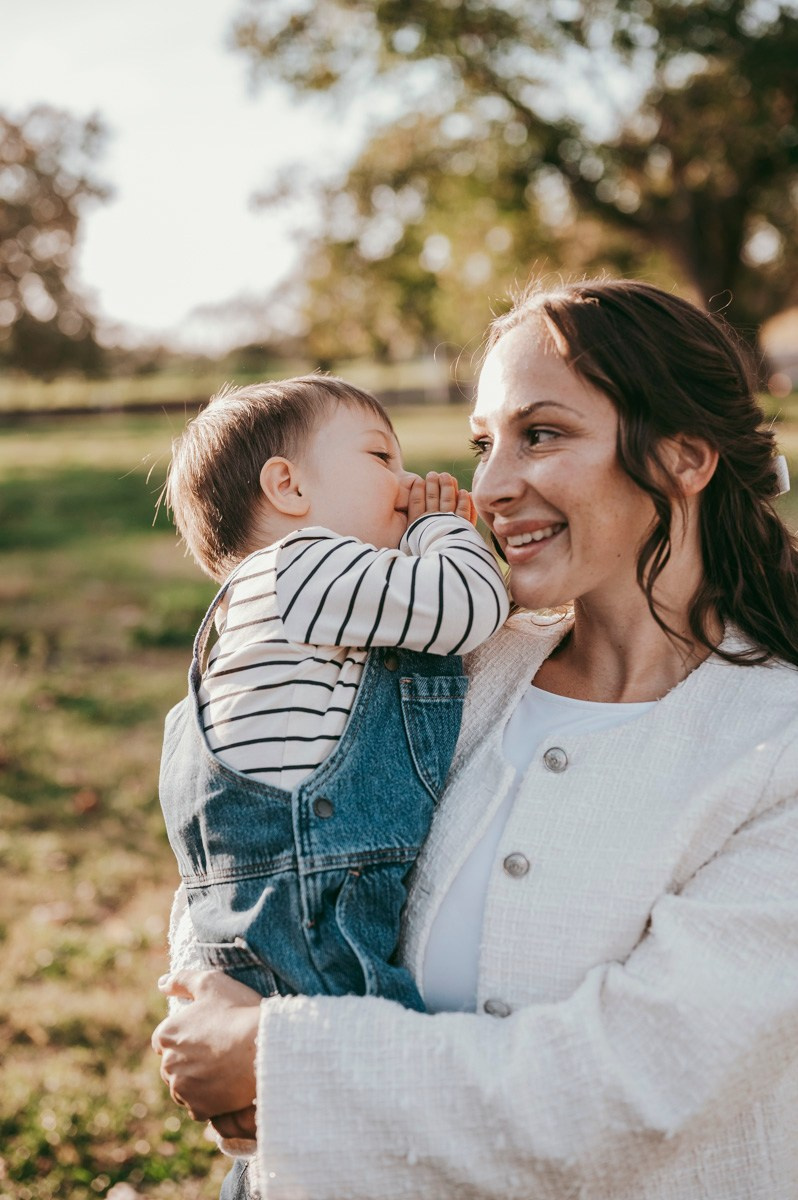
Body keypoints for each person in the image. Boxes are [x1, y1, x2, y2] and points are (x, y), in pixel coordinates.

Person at [153, 280, 798, 1200]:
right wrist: (205, 995)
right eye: (483, 443)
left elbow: (630, 1091)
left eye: (542, 434)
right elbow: (252, 825)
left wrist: (275, 1059)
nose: (489, 488)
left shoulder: (777, 745)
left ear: (684, 457)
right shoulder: (448, 665)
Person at [157, 375, 509, 1135]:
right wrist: (442, 529)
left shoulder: (252, 613)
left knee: (293, 1126)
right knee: (378, 1108)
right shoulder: (305, 566)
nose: (409, 481)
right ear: (286, 487)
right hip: (320, 905)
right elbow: (468, 607)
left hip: (256, 912)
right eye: (382, 455)